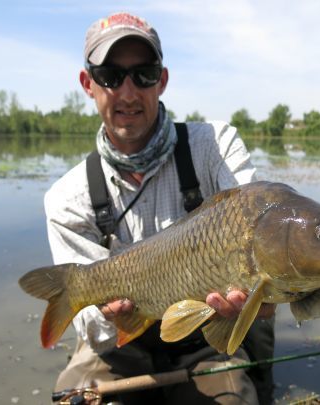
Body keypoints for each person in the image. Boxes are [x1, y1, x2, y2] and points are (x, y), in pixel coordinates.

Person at [44, 11, 275, 404]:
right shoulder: (67, 197)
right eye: (111, 76)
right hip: (120, 347)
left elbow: (261, 227)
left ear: (162, 80)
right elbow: (91, 329)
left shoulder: (215, 145)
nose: (129, 93)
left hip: (205, 335)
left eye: (144, 74)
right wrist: (110, 314)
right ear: (88, 84)